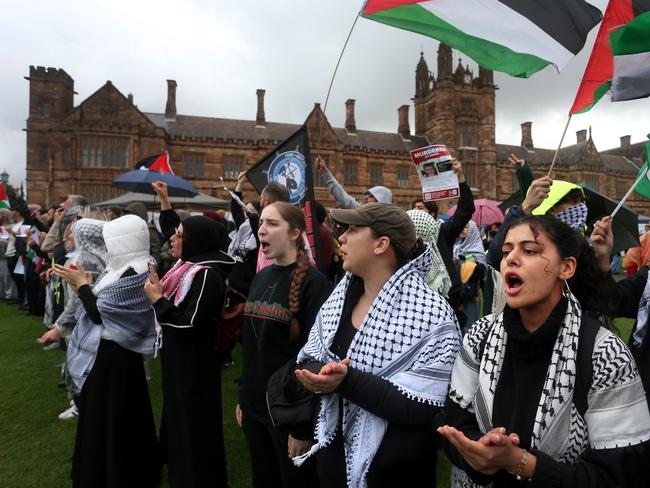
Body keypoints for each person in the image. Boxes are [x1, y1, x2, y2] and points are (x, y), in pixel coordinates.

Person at [439, 215, 650, 487]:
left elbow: (620, 474)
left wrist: (520, 461)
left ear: (567, 267)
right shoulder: (480, 336)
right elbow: (453, 426)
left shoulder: (604, 354)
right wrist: (479, 456)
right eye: (506, 251)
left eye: (529, 251)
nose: (511, 259)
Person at [293, 203, 461, 488]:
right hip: (333, 459)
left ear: (381, 244)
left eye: (353, 230)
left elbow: (426, 406)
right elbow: (309, 356)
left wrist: (345, 381)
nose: (342, 237)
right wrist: (319, 375)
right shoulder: (341, 296)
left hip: (397, 471)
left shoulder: (433, 314)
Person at [53, 214, 159, 488]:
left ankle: (116, 472)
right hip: (107, 357)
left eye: (111, 241)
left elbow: (102, 312)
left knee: (117, 420)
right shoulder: (119, 267)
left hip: (119, 360)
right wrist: (85, 285)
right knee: (102, 419)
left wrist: (82, 286)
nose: (107, 246)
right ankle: (99, 468)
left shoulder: (137, 271)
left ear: (124, 241)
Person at [238, 201, 330, 488]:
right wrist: (243, 395)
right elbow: (252, 346)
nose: (261, 229)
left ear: (294, 233)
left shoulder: (314, 285)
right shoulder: (262, 277)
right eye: (261, 223)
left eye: (272, 224)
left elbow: (316, 358)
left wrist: (302, 426)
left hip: (288, 414)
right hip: (254, 408)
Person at [144, 215, 234, 488]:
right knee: (179, 418)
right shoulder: (186, 267)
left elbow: (189, 323)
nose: (172, 237)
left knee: (194, 422)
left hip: (195, 363)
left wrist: (158, 300)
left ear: (196, 241)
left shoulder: (207, 274)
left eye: (180, 234)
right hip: (179, 360)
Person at [315, 155, 392, 207]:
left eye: (371, 196)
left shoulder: (394, 222)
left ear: (381, 200)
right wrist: (325, 172)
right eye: (367, 194)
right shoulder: (364, 212)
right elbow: (345, 200)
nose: (366, 197)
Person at [452, 221, 487, 331]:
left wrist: (459, 262)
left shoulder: (476, 246)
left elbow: (481, 270)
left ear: (472, 230)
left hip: (471, 290)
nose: (462, 229)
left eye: (466, 227)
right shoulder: (456, 245)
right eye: (461, 226)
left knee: (471, 323)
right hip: (457, 289)